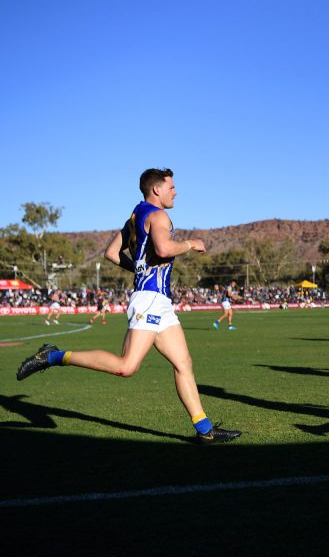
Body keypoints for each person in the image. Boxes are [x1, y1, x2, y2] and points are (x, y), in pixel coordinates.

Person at [16, 168, 241, 444]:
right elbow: (163, 249)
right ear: (156, 189)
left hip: (159, 301)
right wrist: (191, 243)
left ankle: (205, 430)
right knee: (126, 366)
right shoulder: (159, 216)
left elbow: (111, 253)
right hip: (149, 299)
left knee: (183, 363)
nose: (175, 192)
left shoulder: (135, 216)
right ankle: (52, 356)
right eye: (171, 187)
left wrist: (138, 269)